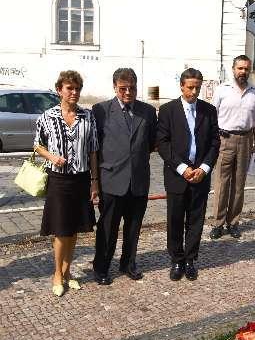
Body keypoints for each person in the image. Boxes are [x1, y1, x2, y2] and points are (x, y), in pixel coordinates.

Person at [34, 70, 99, 297]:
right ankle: (57, 274)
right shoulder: (47, 116)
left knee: (75, 230)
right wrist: (52, 157)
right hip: (59, 180)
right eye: (69, 88)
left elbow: (92, 150)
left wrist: (94, 182)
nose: (74, 92)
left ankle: (68, 271)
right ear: (59, 90)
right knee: (61, 229)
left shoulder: (88, 116)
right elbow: (37, 145)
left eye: (77, 88)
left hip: (81, 179)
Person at [92, 68, 157, 285]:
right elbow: (95, 147)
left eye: (132, 88)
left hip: (138, 180)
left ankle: (128, 263)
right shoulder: (100, 110)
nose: (128, 92)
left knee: (134, 226)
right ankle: (101, 267)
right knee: (108, 229)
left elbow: (150, 144)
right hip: (111, 180)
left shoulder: (147, 111)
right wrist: (94, 182)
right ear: (114, 87)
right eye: (123, 88)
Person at [157, 68, 220, 281]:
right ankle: (176, 259)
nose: (194, 92)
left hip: (200, 175)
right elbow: (163, 144)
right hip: (177, 175)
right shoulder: (167, 110)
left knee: (196, 219)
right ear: (182, 86)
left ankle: (191, 259)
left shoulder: (209, 110)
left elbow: (214, 142)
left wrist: (204, 168)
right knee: (175, 219)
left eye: (197, 88)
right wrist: (182, 168)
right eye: (190, 87)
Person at [210, 55, 255, 240]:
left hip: (246, 140)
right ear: (233, 69)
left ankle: (233, 223)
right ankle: (217, 223)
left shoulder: (254, 92)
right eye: (240, 68)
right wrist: (213, 141)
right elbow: (211, 117)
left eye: (246, 68)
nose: (243, 72)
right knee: (222, 183)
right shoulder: (222, 90)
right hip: (225, 139)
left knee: (239, 184)